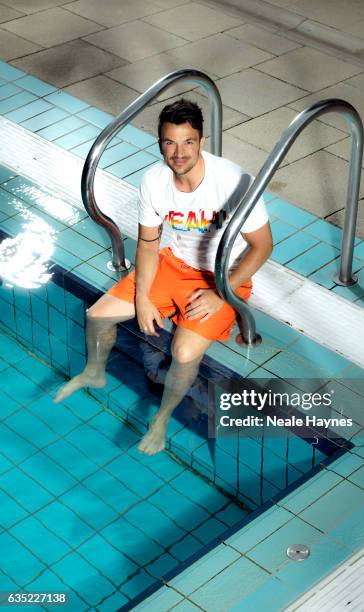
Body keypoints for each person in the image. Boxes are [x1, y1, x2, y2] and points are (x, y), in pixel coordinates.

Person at [54, 98, 272, 455]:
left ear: (202, 141)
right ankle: (95, 370)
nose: (179, 151)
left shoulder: (233, 182)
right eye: (170, 142)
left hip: (221, 278)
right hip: (172, 265)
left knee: (184, 353)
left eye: (188, 141)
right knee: (97, 316)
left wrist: (220, 292)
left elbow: (262, 246)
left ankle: (162, 419)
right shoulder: (154, 181)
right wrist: (141, 299)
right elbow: (148, 245)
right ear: (159, 143)